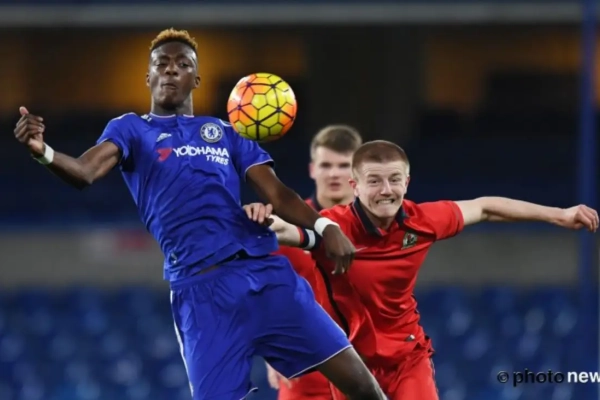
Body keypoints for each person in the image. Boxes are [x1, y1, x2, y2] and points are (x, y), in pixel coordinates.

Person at [12, 29, 387, 400]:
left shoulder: (227, 132)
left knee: (361, 385)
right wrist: (43, 152)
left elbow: (277, 193)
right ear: (148, 77)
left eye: (183, 63)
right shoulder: (131, 129)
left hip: (266, 277)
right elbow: (84, 172)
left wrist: (324, 225)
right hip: (202, 294)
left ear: (196, 79)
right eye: (161, 63)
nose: (170, 69)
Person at [243, 140, 599, 400]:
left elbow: (485, 207)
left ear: (407, 182)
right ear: (355, 187)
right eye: (374, 181)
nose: (386, 190)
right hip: (349, 365)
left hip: (406, 360)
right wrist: (259, 217)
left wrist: (559, 214)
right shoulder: (332, 228)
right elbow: (287, 231)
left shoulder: (422, 221)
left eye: (394, 179)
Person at [263, 125, 362, 400]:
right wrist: (269, 350)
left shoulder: (378, 227)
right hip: (304, 370)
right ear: (312, 169)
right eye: (326, 165)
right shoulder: (286, 227)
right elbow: (265, 294)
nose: (334, 174)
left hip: (368, 366)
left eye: (343, 165)